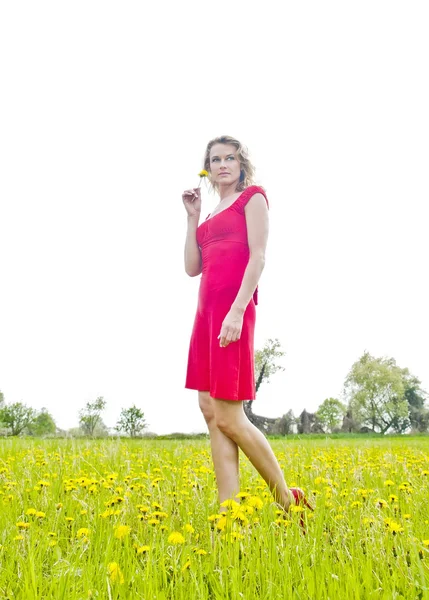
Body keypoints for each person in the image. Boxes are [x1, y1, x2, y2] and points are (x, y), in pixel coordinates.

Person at [182, 135, 313, 524]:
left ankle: (287, 499)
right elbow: (192, 267)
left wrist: (237, 311)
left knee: (230, 414)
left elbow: (258, 258)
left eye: (230, 158)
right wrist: (192, 217)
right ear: (208, 167)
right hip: (205, 314)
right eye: (215, 159)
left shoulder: (252, 198)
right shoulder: (209, 214)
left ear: (241, 165)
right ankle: (230, 513)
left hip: (232, 311)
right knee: (210, 410)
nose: (222, 164)